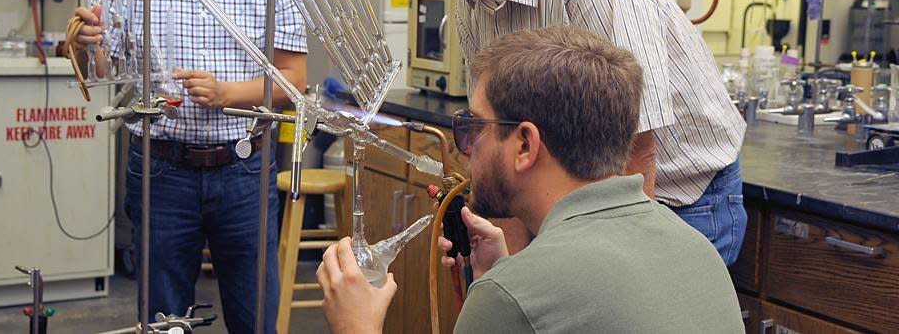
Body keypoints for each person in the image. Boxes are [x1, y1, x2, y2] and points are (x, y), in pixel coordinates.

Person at [397, 0, 747, 265]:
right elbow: (500, 138)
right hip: (568, 203)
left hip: (677, 201)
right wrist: (503, 268)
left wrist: (610, 276)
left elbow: (638, 152)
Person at [317, 26, 744, 333]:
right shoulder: (695, 249)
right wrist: (508, 282)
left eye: (473, 127)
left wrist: (357, 326)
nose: (468, 147)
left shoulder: (514, 294)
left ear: (525, 145)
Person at [68, 0, 307, 333]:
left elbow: (294, 82)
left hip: (244, 170)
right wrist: (92, 46)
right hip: (160, 170)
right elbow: (113, 74)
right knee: (162, 317)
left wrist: (228, 95)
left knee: (255, 312)